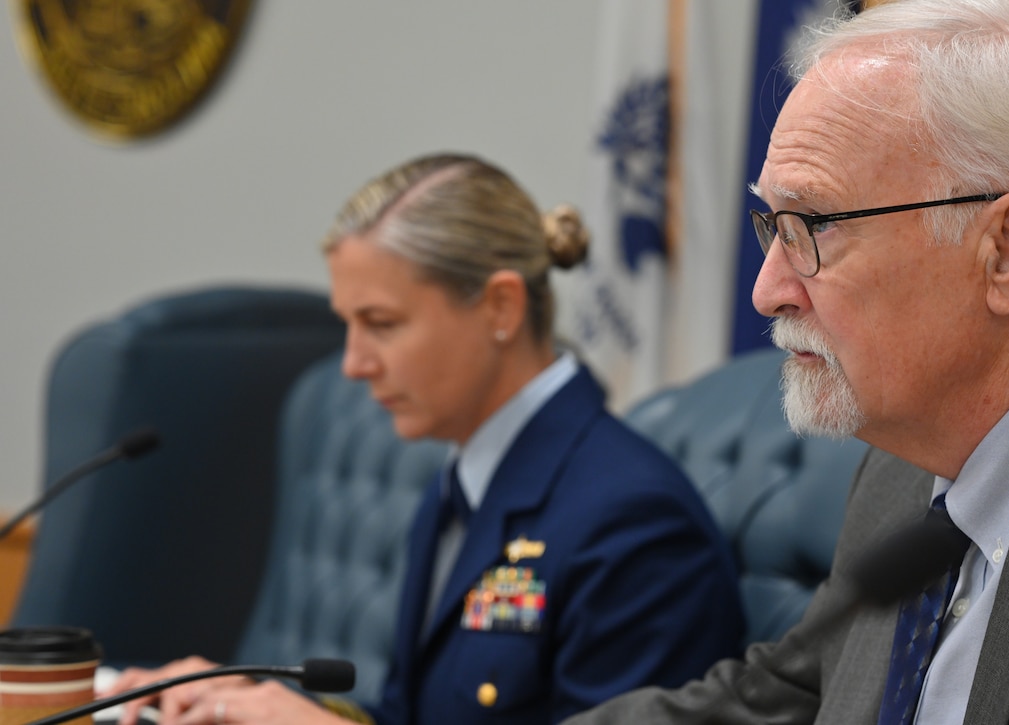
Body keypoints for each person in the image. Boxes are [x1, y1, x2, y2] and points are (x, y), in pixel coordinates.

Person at [564, 0, 1009, 723]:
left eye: (812, 226)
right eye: (770, 226)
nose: (766, 291)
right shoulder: (902, 467)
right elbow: (780, 695)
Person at [104, 152, 744, 725]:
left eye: (380, 324)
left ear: (500, 307)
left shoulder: (631, 520)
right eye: (348, 326)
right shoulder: (463, 482)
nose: (353, 364)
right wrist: (244, 701)